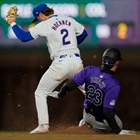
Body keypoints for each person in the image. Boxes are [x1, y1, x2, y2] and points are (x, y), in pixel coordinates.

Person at [5, 3, 88, 134]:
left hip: (61, 63)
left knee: (41, 92)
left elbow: (24, 37)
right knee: (91, 93)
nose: (38, 20)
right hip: (77, 61)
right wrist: (70, 44)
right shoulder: (68, 19)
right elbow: (84, 34)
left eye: (37, 18)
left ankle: (43, 126)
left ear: (41, 14)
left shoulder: (45, 24)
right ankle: (96, 121)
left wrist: (12, 23)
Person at [57, 48, 136, 135]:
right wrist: (118, 131)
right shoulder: (114, 84)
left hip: (86, 115)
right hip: (101, 121)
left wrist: (60, 94)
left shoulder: (89, 70)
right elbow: (107, 111)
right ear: (116, 63)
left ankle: (86, 123)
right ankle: (96, 129)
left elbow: (69, 85)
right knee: (119, 124)